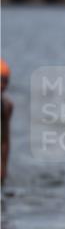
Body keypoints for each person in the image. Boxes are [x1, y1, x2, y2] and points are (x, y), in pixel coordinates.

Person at [1, 58, 11, 187]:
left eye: (5, 80)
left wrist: (3, 167)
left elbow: (4, 141)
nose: (2, 84)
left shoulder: (6, 106)